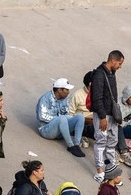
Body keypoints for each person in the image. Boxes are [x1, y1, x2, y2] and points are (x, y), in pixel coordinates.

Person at [90, 50, 124, 183]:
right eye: (119, 63)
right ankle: (100, 171)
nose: (120, 66)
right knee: (101, 142)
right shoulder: (99, 74)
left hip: (112, 116)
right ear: (113, 60)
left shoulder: (111, 73)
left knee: (111, 143)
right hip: (103, 116)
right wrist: (102, 117)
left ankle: (110, 171)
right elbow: (97, 98)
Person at [36, 77, 86, 157]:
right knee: (61, 118)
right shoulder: (45, 99)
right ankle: (70, 146)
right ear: (59, 90)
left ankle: (76, 144)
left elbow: (68, 113)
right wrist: (58, 120)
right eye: (66, 90)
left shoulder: (65, 99)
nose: (68, 92)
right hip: (46, 130)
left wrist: (64, 120)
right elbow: (41, 116)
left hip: (61, 129)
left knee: (80, 117)